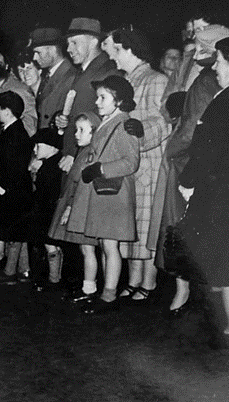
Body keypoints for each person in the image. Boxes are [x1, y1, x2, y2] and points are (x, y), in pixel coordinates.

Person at [150, 25, 229, 315]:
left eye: (201, 47)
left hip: (190, 163)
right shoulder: (210, 78)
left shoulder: (206, 81)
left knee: (183, 227)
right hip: (208, 166)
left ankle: (186, 293)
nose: (195, 53)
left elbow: (192, 130)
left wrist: (173, 155)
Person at [67, 75, 140, 314]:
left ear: (118, 100)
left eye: (102, 97)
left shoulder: (124, 124)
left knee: (110, 245)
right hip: (104, 194)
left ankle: (109, 295)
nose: (97, 102)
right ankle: (106, 292)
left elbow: (131, 162)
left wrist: (100, 169)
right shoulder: (111, 121)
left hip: (114, 194)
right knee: (105, 244)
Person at [177, 36, 229, 336]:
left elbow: (206, 149)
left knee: (228, 262)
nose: (215, 69)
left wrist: (188, 181)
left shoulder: (226, 101)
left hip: (224, 190)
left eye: (220, 62)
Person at [108, 28, 170, 303]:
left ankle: (149, 282)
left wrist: (141, 131)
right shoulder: (128, 80)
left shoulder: (156, 80)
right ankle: (134, 280)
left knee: (146, 229)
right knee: (133, 226)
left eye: (116, 50)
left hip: (150, 163)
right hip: (131, 164)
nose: (113, 57)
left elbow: (164, 120)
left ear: (130, 50)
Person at [48, 111, 101, 303]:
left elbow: (82, 184)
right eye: (76, 130)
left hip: (82, 206)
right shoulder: (84, 152)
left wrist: (70, 207)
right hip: (77, 204)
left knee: (87, 249)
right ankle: (84, 286)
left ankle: (89, 289)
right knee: (83, 249)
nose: (76, 134)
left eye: (81, 130)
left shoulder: (91, 155)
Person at [56, 17, 119, 174]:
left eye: (74, 42)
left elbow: (103, 119)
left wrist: (74, 152)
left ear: (93, 42)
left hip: (86, 156)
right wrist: (62, 118)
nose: (69, 49)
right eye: (68, 43)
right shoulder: (81, 71)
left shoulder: (107, 72)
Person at [0, 91, 34, 285]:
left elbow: (15, 165)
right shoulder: (9, 131)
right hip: (11, 188)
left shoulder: (15, 134)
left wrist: (4, 186)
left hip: (13, 189)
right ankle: (23, 269)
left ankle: (10, 270)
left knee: (13, 231)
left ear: (7, 111)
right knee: (15, 230)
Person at [25, 127, 65, 289]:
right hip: (46, 211)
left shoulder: (52, 167)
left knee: (50, 245)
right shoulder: (50, 163)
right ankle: (54, 277)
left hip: (48, 212)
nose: (35, 150)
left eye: (38, 146)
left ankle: (53, 279)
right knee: (50, 245)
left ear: (51, 147)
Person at [30, 27, 77, 129]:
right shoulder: (47, 74)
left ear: (52, 50)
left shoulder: (71, 77)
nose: (34, 58)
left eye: (38, 52)